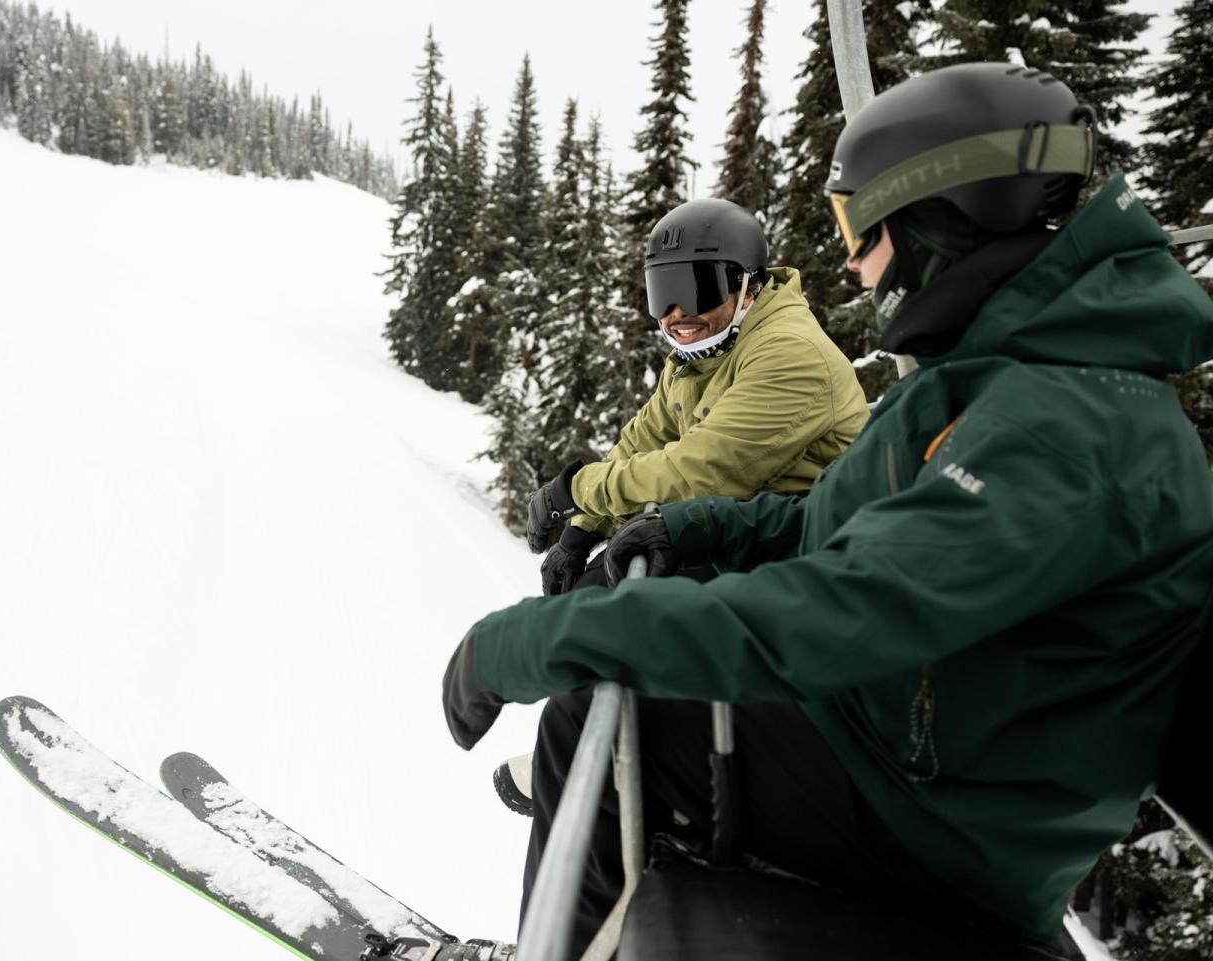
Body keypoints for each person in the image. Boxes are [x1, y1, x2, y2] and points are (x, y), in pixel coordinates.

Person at [442, 61, 1213, 958]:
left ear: (939, 219)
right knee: (625, 713)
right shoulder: (1007, 378)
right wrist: (693, 526)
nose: (850, 258)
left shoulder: (1066, 427)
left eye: (861, 227)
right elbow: (834, 526)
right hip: (907, 756)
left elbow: (836, 610)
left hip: (937, 827)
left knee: (601, 712)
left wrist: (536, 638)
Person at [526, 198, 867, 597]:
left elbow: (700, 473)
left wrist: (572, 490)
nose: (677, 313)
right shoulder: (701, 354)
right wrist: (582, 530)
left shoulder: (790, 353)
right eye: (664, 293)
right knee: (580, 607)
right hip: (730, 536)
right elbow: (642, 442)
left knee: (606, 625)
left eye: (698, 290)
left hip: (805, 557)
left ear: (748, 287)